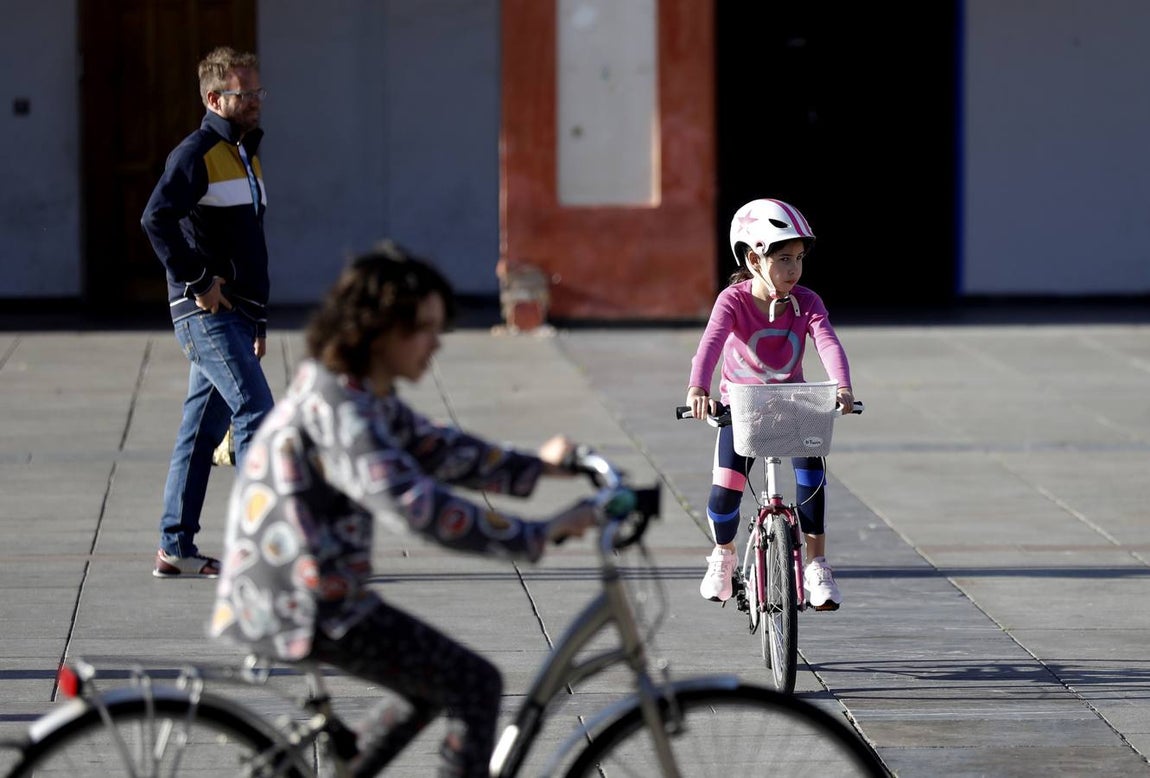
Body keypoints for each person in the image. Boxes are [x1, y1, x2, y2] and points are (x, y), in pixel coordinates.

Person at [208, 243, 598, 778]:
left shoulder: (354, 390)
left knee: (431, 685)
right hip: (303, 602)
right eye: (424, 329)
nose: (436, 343)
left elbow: (435, 447)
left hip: (312, 592)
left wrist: (538, 467)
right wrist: (537, 534)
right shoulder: (340, 408)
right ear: (380, 330)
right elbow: (415, 506)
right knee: (474, 683)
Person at [140, 46, 275, 578]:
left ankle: (175, 546)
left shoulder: (246, 154)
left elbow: (251, 247)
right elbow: (156, 219)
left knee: (200, 433)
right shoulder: (195, 153)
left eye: (258, 91)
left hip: (237, 315)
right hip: (207, 314)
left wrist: (258, 320)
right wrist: (197, 280)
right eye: (246, 93)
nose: (256, 100)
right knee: (257, 415)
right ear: (215, 99)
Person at [684, 198, 855, 611]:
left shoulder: (807, 302)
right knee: (725, 492)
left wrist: (843, 388)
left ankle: (816, 565)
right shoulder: (733, 301)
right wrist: (698, 389)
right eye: (783, 259)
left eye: (799, 259)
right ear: (753, 259)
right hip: (742, 410)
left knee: (812, 480)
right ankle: (723, 556)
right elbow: (710, 345)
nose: (794, 269)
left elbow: (827, 342)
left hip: (792, 404)